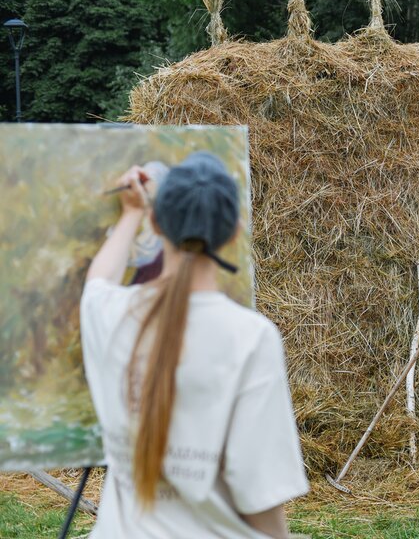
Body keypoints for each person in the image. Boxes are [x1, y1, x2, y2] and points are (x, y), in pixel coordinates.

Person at [80, 153, 308, 538]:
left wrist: (130, 213)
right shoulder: (250, 338)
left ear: (157, 223)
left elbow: (98, 280)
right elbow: (261, 497)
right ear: (234, 232)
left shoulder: (110, 314)